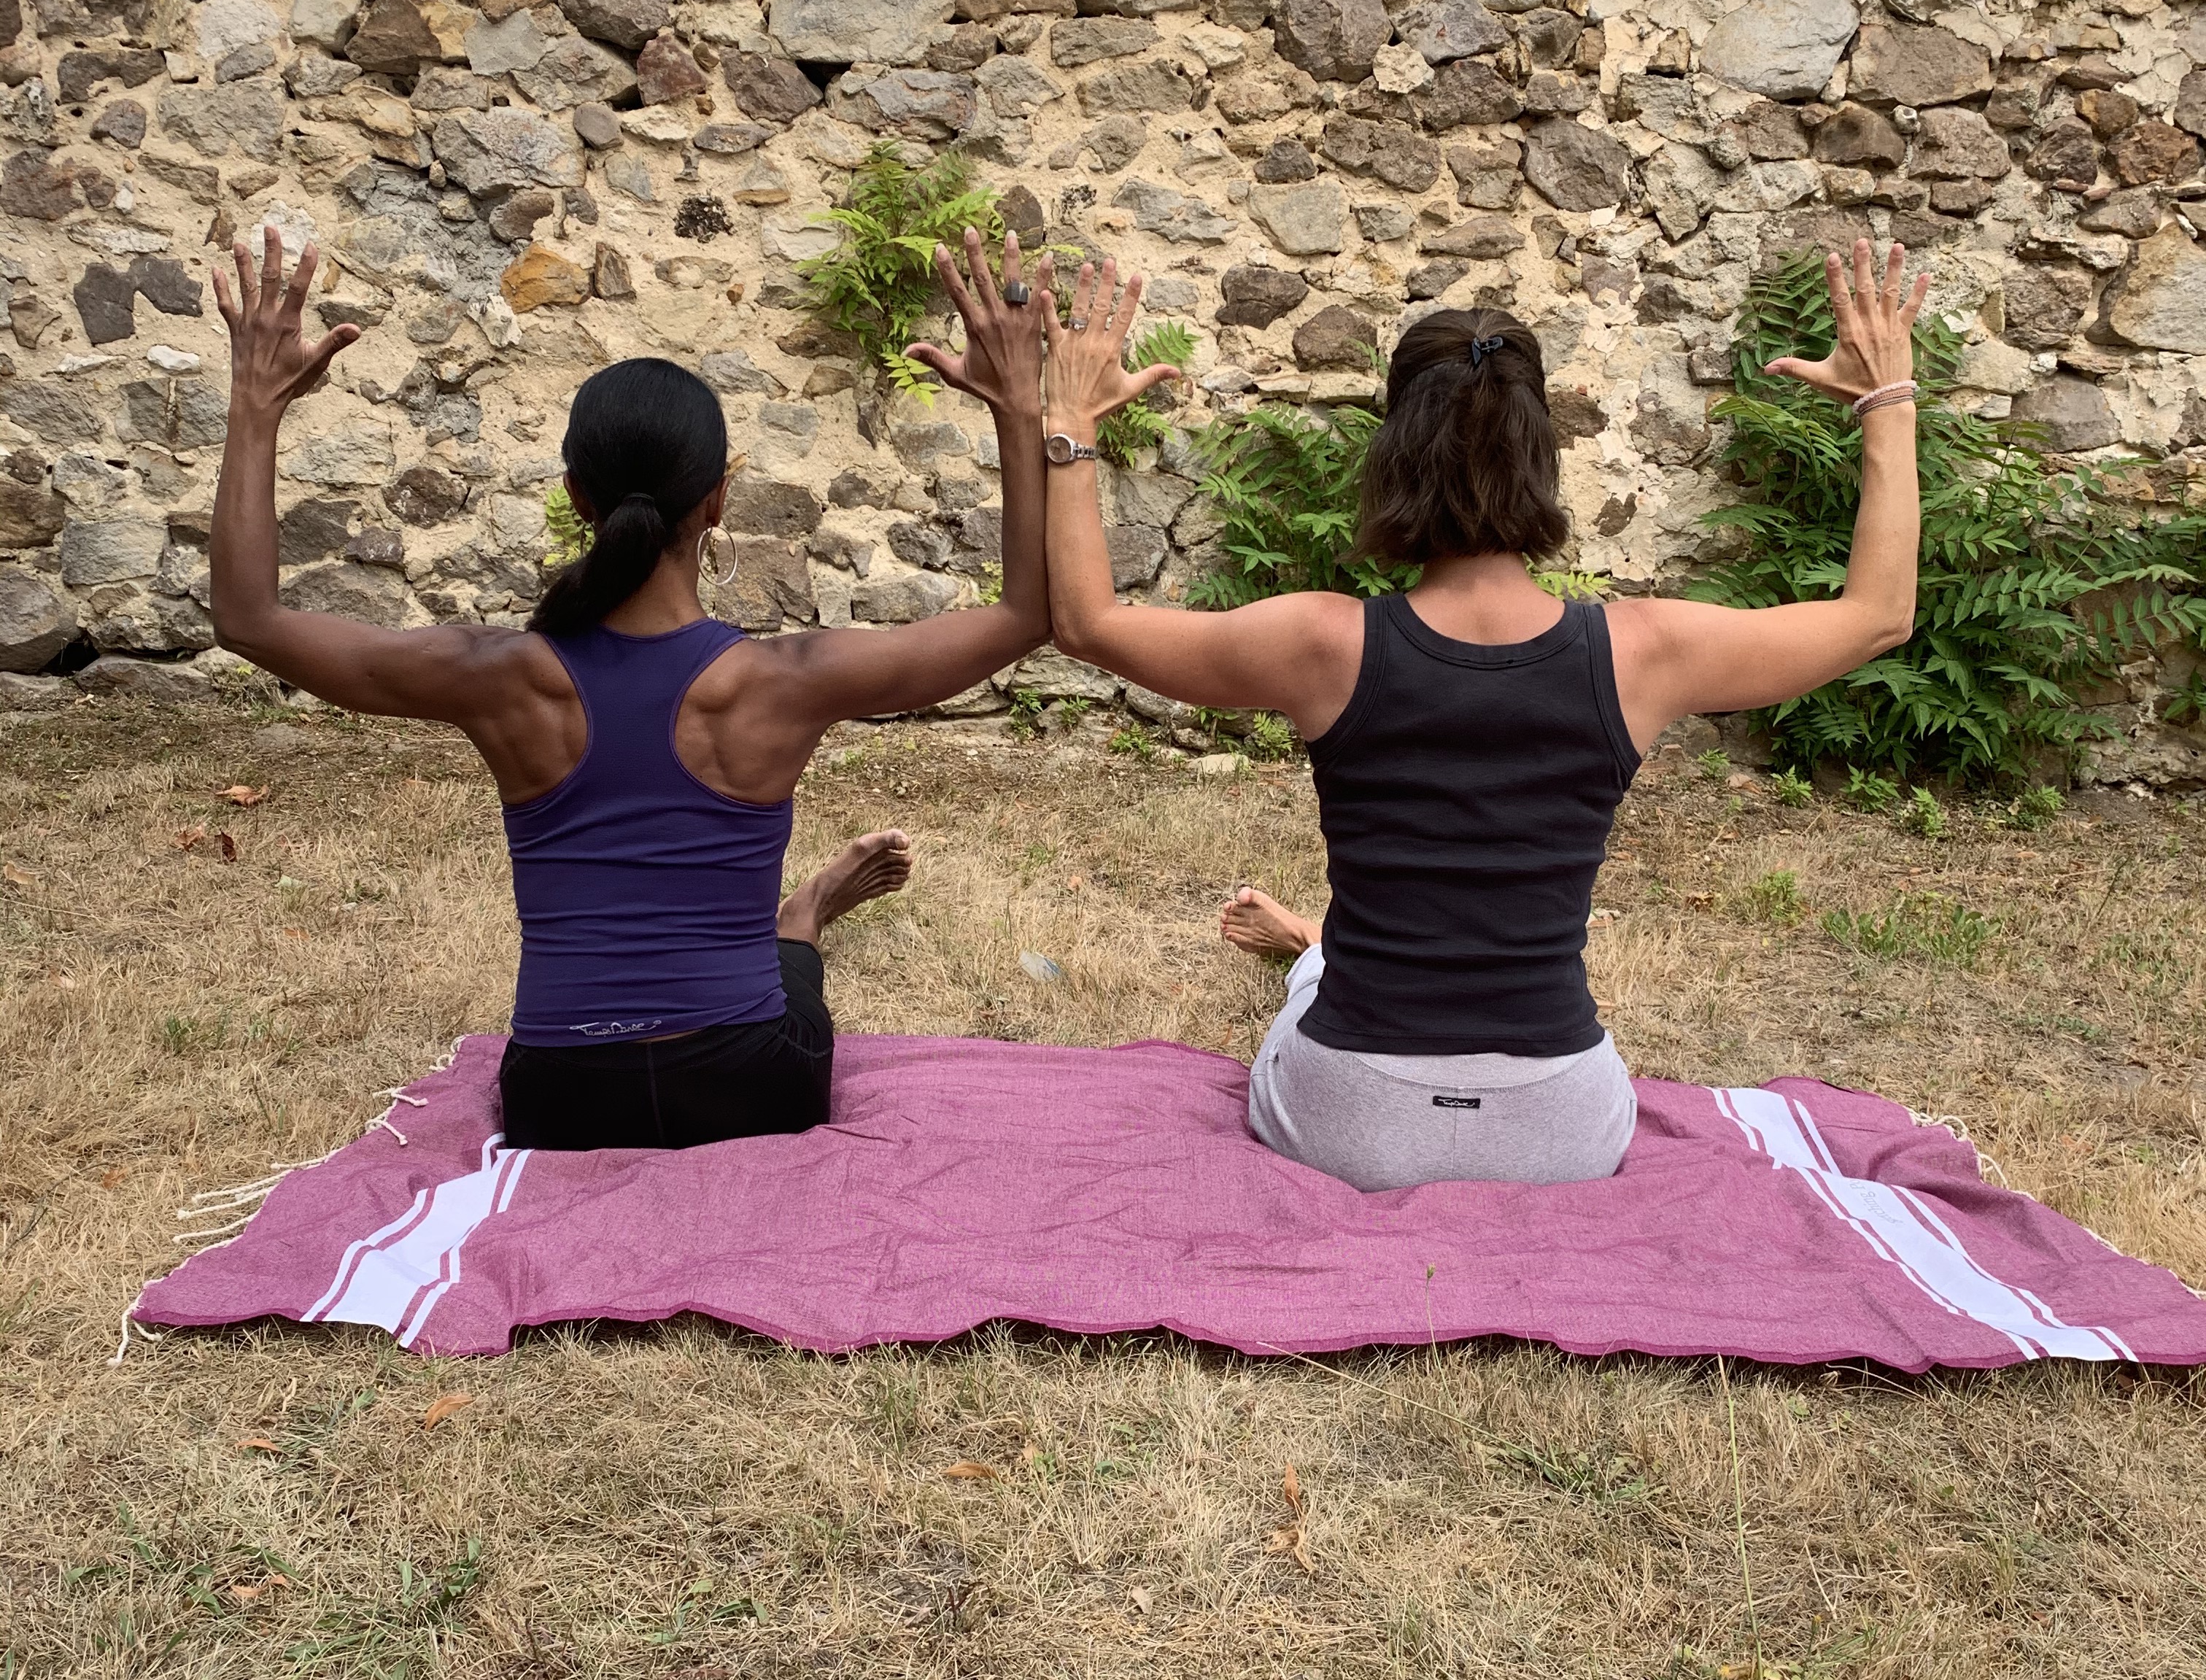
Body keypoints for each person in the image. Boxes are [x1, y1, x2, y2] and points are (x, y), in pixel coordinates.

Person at [1024, 239, 1925, 1193]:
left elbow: (1085, 622)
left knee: (1315, 995)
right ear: (1544, 456)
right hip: (1559, 1132)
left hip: (1351, 1119)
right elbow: (1879, 617)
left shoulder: (1321, 642)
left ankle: (1315, 950)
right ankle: (1314, 946)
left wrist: (1070, 420)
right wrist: (1887, 399)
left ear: (1393, 454)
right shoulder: (1643, 650)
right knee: (1355, 981)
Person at [208, 221, 1053, 1152]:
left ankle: (801, 912)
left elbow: (249, 620)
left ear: (576, 497)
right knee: (788, 959)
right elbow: (1023, 615)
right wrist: (1018, 404)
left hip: (560, 1099)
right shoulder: (783, 679)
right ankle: (804, 910)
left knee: (749, 973)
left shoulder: (501, 677)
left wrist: (257, 402)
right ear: (718, 501)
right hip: (755, 1086)